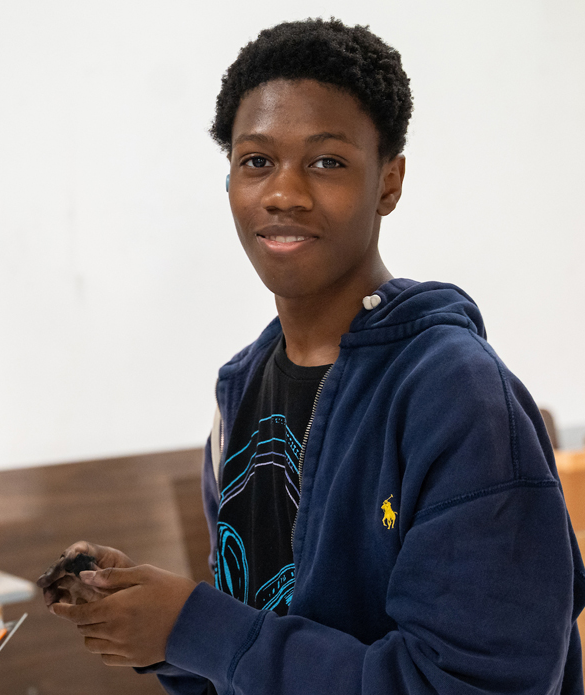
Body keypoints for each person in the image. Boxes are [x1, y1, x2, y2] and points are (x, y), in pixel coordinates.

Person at [37, 17, 585, 694]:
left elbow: (469, 685)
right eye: (256, 161)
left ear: (389, 181)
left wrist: (196, 625)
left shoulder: (457, 395)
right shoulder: (240, 390)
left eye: (327, 161)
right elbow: (258, 655)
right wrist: (156, 623)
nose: (283, 193)